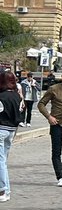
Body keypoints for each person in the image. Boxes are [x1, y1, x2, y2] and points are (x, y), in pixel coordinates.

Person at [0, 70, 21, 202]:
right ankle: (5, 188)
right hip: (12, 129)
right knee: (3, 160)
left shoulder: (1, 97)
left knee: (0, 161)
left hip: (1, 128)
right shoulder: (17, 96)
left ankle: (4, 189)